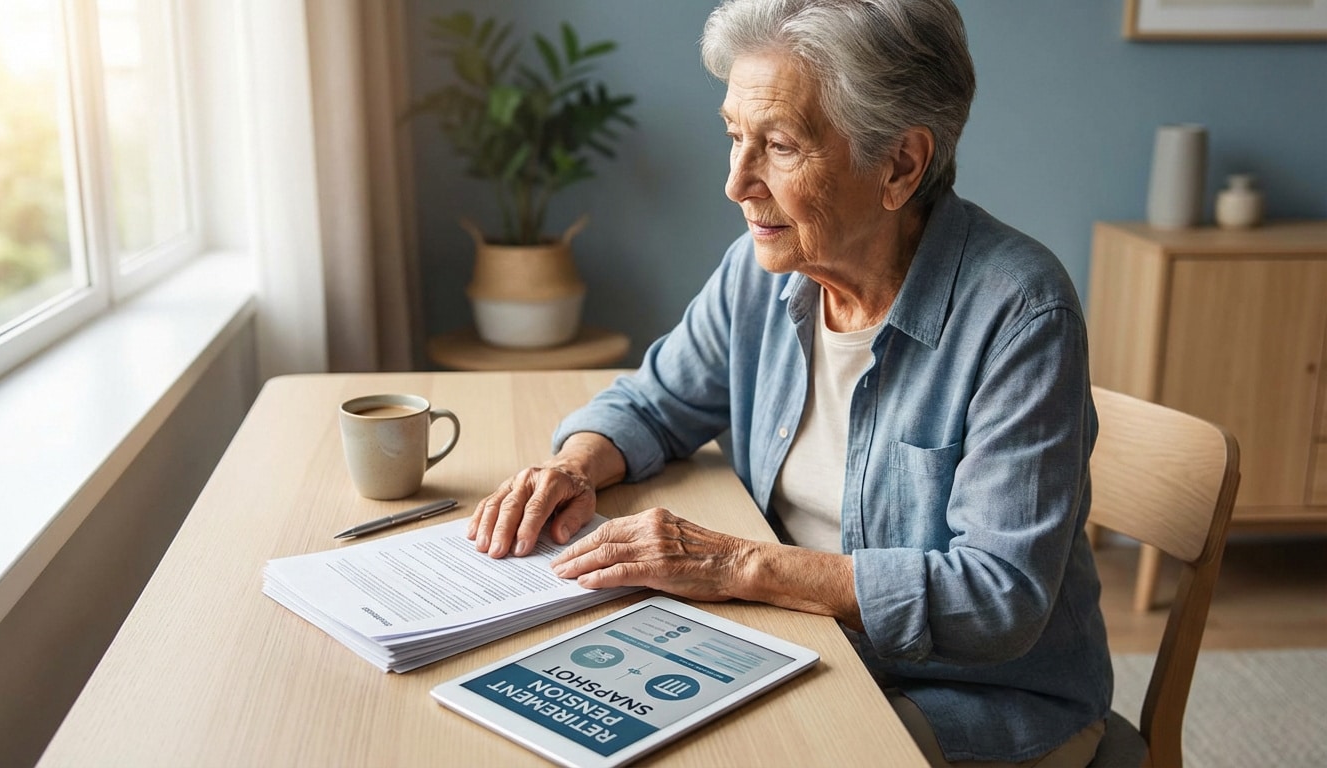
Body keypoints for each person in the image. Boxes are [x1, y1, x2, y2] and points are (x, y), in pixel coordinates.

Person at [467, 0, 1112, 764]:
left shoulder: (1019, 311)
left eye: (779, 145)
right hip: (802, 643)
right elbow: (655, 401)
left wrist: (735, 564)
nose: (738, 183)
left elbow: (997, 596)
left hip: (982, 695)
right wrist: (573, 466)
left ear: (901, 164)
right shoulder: (764, 268)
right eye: (735, 136)